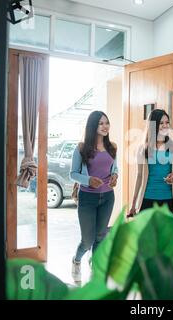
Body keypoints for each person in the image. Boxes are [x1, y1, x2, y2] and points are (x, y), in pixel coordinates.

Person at [69, 110, 118, 283]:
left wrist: (115, 176)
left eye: (107, 122)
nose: (105, 126)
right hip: (87, 199)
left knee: (100, 236)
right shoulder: (82, 148)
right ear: (93, 126)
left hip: (107, 197)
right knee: (87, 240)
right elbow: (73, 174)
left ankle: (96, 270)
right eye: (101, 123)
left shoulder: (113, 147)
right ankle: (76, 260)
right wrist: (88, 180)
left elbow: (114, 168)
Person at [128, 109, 173, 217]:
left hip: (169, 200)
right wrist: (133, 203)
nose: (165, 125)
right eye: (161, 123)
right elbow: (139, 176)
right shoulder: (142, 149)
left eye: (167, 122)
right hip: (147, 199)